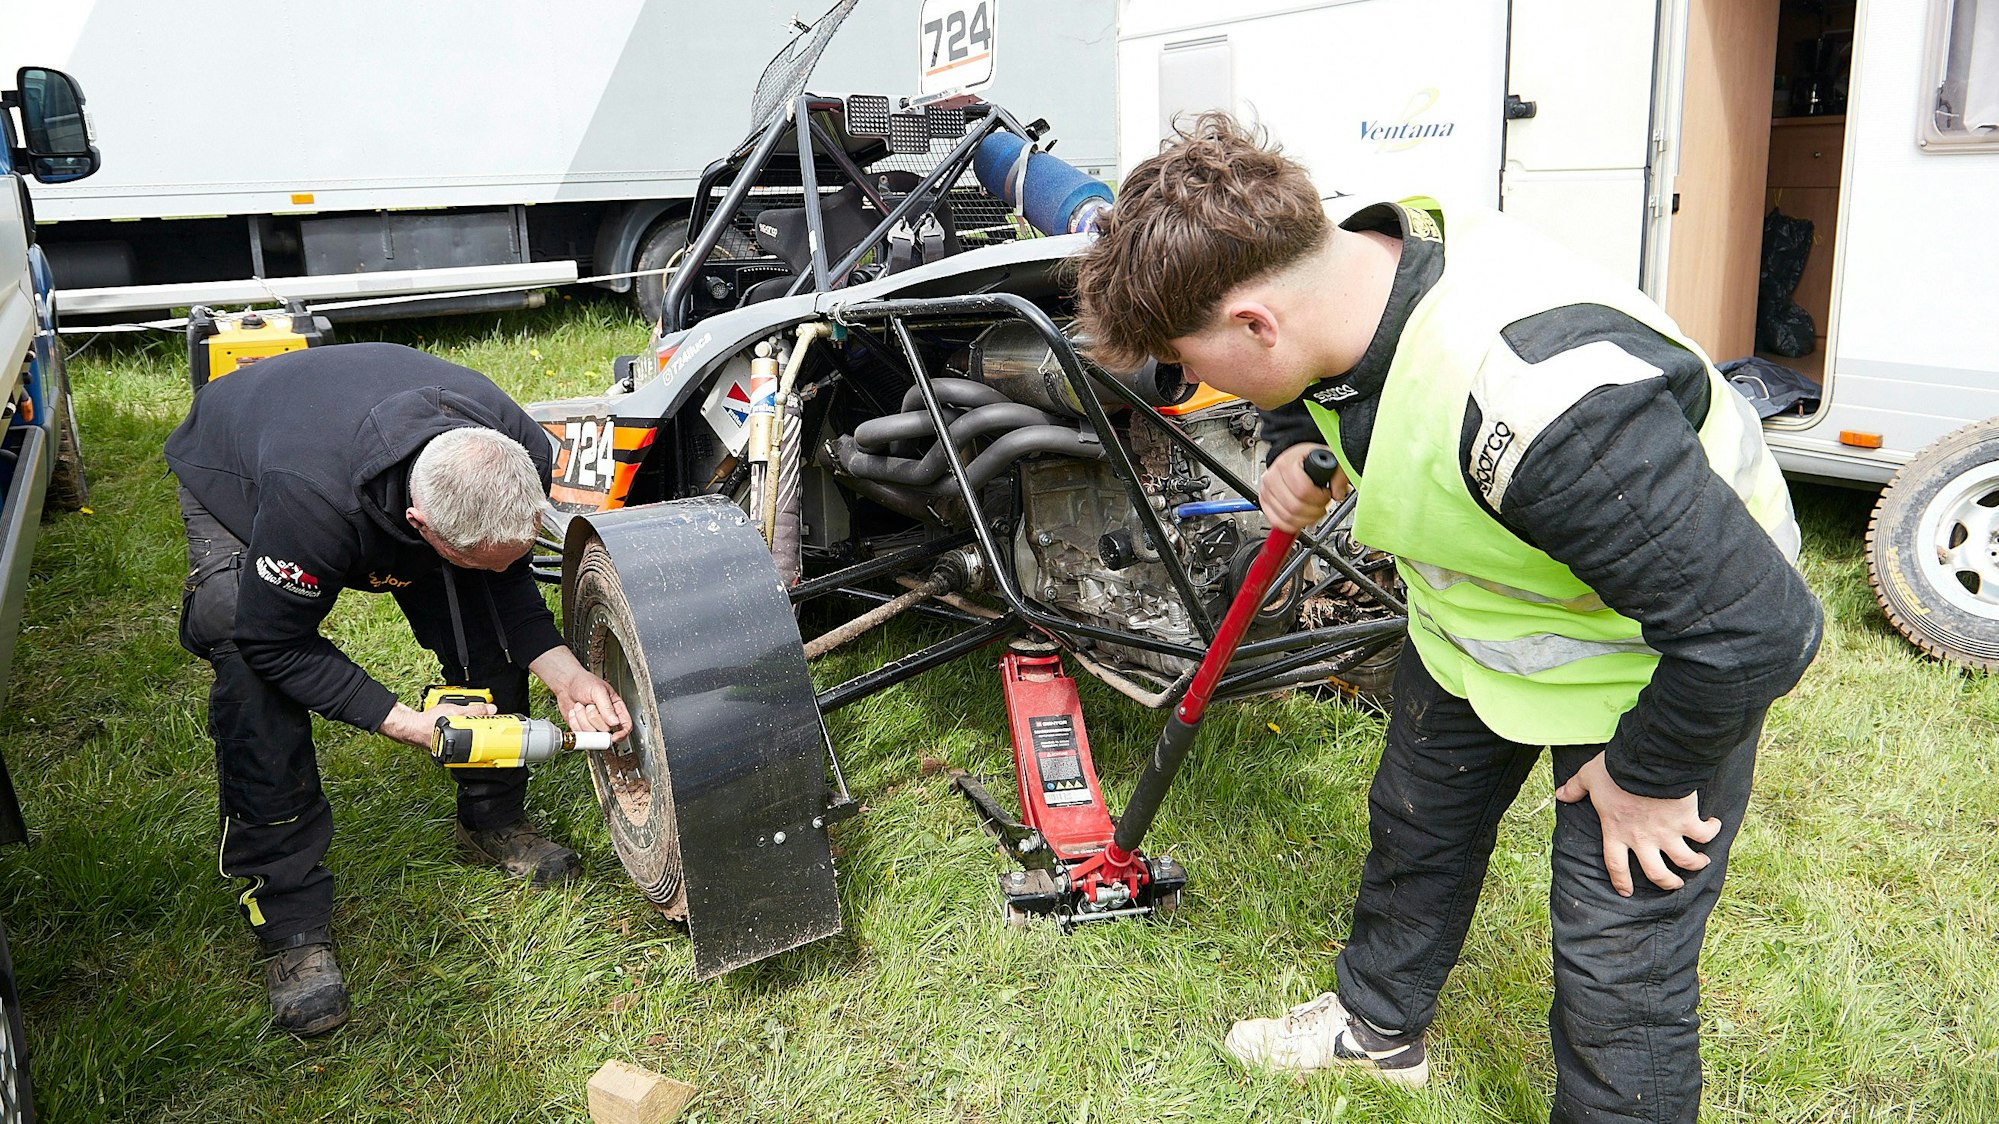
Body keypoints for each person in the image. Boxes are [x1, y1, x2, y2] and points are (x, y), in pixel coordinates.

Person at [1072, 114, 1822, 1122]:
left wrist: (1650, 777)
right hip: (1473, 626)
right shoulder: (1345, 265)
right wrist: (1295, 443)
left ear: (1253, 324)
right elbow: (1329, 379)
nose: (1198, 387)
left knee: (1618, 953)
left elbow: (1755, 628)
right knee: (1415, 829)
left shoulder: (1543, 406)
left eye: (1188, 364)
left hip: (1657, 661)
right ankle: (1376, 1030)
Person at [165, 341, 632, 1038]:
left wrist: (565, 673)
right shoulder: (310, 500)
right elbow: (275, 640)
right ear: (420, 527)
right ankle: (291, 924)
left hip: (370, 453)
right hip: (244, 461)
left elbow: (502, 579)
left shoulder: (520, 451)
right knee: (247, 662)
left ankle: (491, 819)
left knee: (483, 622)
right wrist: (406, 723)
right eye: (466, 554)